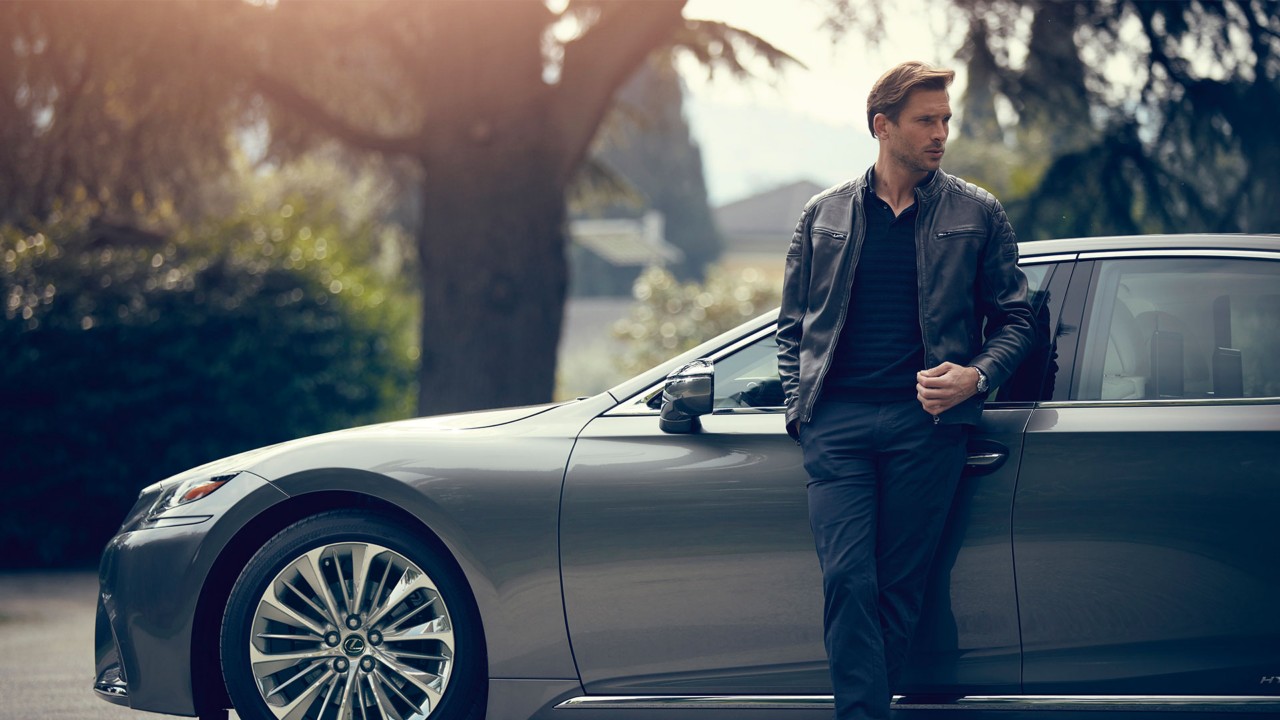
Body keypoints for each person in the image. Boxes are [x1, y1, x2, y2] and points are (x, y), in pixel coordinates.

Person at [775, 61, 1035, 720]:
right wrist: (799, 411)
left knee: (900, 590)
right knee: (847, 580)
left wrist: (975, 376)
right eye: (927, 120)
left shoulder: (977, 213)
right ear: (881, 125)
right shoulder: (823, 214)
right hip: (837, 425)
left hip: (929, 430)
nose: (941, 133)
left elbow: (1016, 320)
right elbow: (792, 328)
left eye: (945, 119)